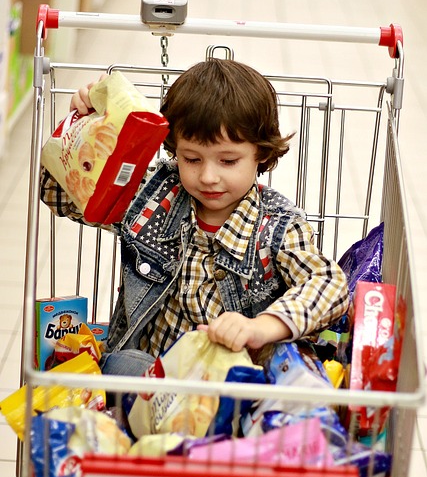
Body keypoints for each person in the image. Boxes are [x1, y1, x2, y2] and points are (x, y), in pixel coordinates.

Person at [40, 58, 349, 375]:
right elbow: (58, 197)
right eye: (192, 159)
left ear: (261, 153)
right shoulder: (154, 196)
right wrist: (84, 131)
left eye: (228, 161)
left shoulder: (277, 227)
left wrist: (263, 326)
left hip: (231, 382)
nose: (208, 177)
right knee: (124, 365)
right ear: (175, 150)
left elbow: (329, 284)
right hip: (148, 379)